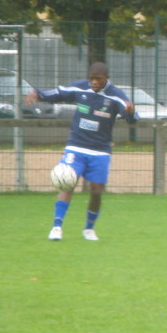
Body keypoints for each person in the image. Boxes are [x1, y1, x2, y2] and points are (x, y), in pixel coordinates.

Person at [25, 62, 137, 241]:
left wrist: (131, 112)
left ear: (106, 78)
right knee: (67, 182)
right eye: (91, 78)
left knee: (96, 190)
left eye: (98, 79)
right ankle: (56, 227)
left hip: (100, 150)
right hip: (76, 146)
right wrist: (38, 94)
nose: (94, 82)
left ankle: (89, 229)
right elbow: (59, 93)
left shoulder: (116, 96)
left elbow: (132, 119)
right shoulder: (80, 88)